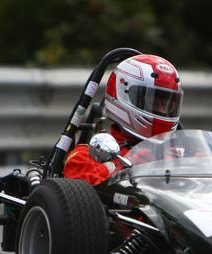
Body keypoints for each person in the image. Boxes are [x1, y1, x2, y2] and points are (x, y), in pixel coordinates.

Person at [63, 54, 184, 185]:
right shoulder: (87, 157)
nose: (161, 111)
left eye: (167, 105)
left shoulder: (181, 155)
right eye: (152, 102)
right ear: (123, 95)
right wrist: (134, 168)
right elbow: (83, 200)